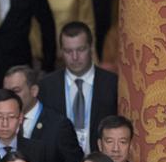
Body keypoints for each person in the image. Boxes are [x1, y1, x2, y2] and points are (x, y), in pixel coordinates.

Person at [3, 64, 83, 162]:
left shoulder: (58, 126)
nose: (10, 98)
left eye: (16, 91)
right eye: (7, 92)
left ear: (34, 90)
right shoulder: (2, 124)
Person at [36, 21, 117, 154]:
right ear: (61, 51)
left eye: (80, 50)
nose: (74, 57)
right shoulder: (47, 86)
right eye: (68, 51)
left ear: (91, 48)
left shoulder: (112, 84)